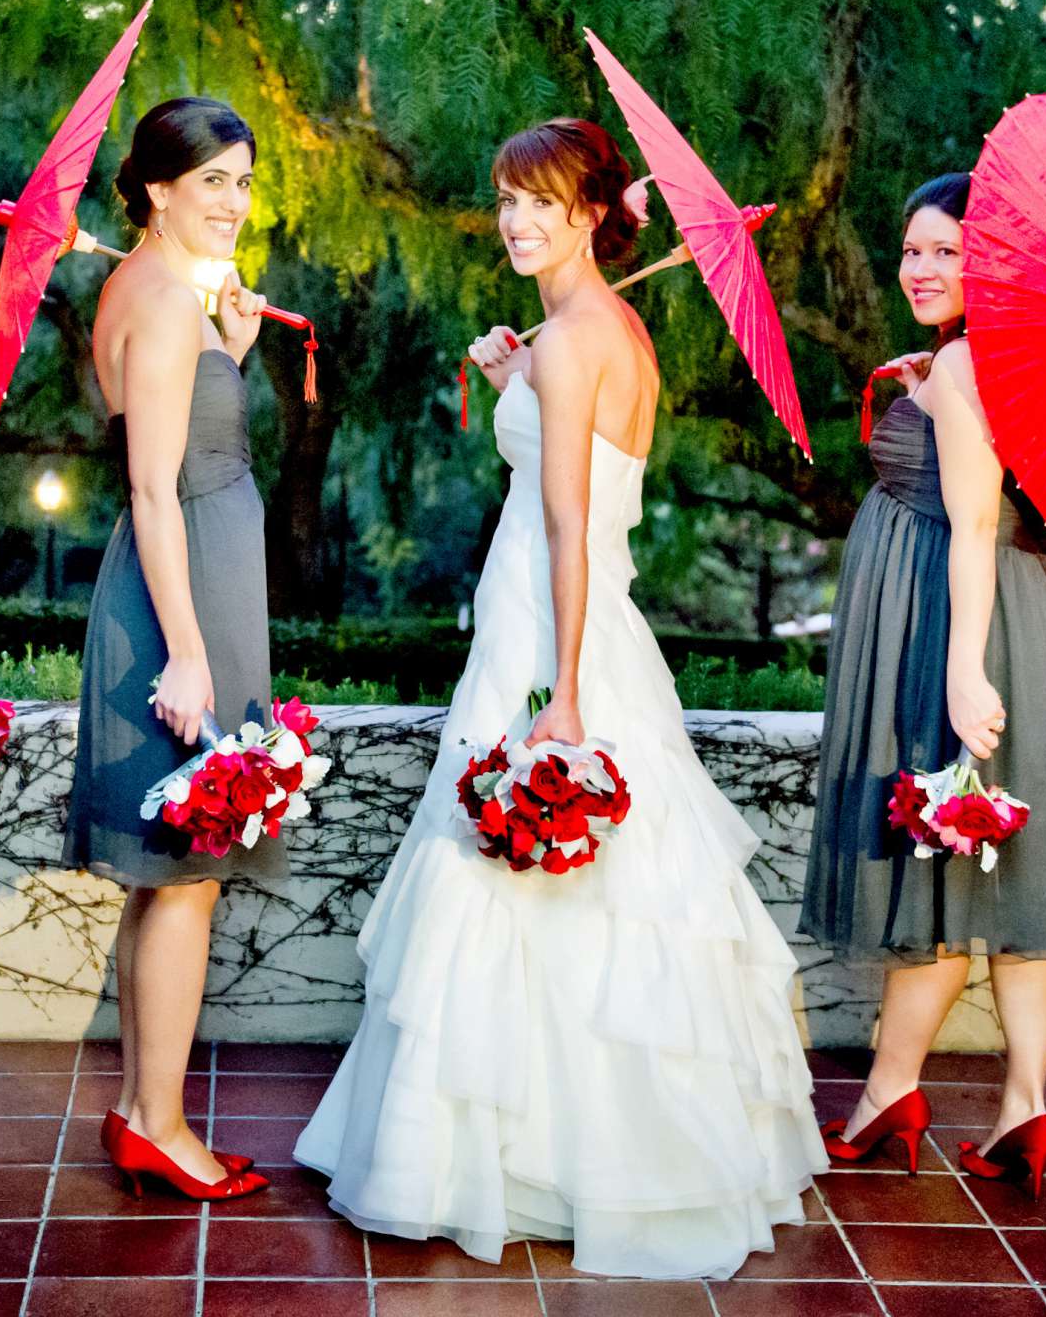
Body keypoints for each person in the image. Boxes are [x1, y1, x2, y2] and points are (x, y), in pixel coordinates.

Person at [295, 118, 823, 1278]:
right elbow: (571, 465)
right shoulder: (598, 328)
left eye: (542, 203)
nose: (517, 222)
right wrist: (515, 378)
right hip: (552, 615)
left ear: (593, 213)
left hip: (552, 627)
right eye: (505, 200)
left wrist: (566, 693)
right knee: (567, 887)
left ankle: (532, 1157)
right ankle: (559, 1148)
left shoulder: (583, 338)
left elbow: (574, 523)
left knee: (520, 878)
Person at [799, 173, 1046, 1200]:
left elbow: (976, 524)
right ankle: (1024, 1108)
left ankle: (891, 1091)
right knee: (1010, 874)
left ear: (995, 267)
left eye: (949, 252)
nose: (922, 268)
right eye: (913, 250)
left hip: (969, 623)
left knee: (944, 859)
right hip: (1003, 617)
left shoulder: (975, 363)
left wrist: (961, 663)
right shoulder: (987, 363)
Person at [66, 96, 277, 1202]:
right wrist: (188, 652)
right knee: (186, 878)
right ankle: (159, 1121)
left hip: (203, 582)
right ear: (155, 190)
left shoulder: (171, 299)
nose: (236, 204)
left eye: (244, 182)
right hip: (179, 598)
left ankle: (145, 1111)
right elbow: (152, 485)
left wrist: (227, 352)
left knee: (173, 879)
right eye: (214, 184)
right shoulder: (150, 296)